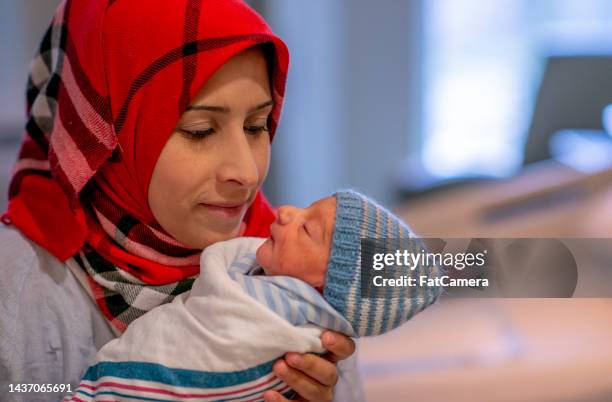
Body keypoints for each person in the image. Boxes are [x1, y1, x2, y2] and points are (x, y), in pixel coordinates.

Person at [0, 1, 361, 401]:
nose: (247, 171)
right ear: (108, 132)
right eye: (200, 130)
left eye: (256, 126)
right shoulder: (19, 292)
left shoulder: (296, 273)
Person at [66, 190, 443, 401]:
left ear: (321, 292)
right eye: (201, 130)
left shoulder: (293, 329)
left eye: (255, 126)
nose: (285, 212)